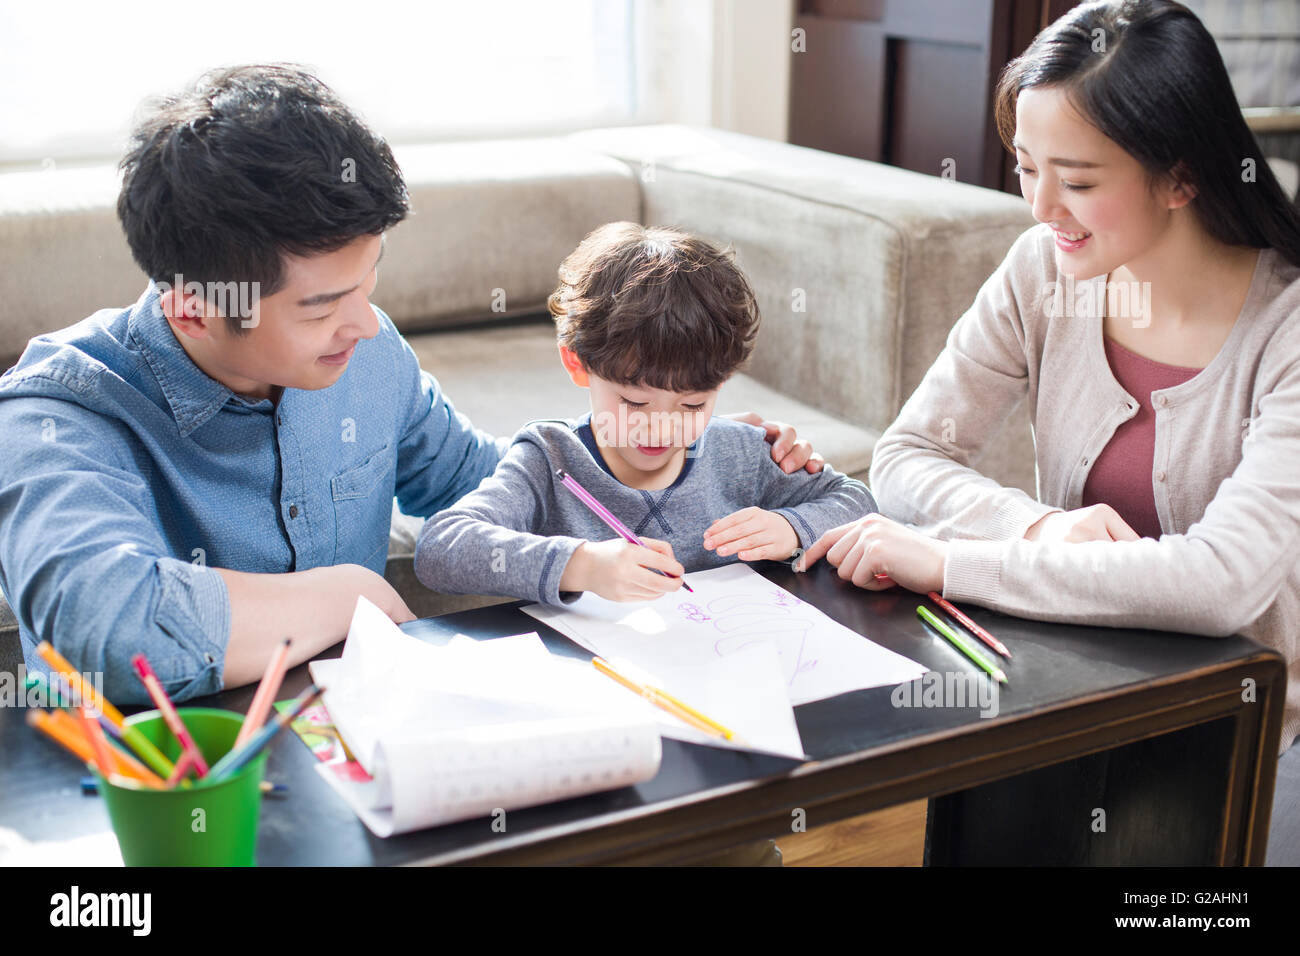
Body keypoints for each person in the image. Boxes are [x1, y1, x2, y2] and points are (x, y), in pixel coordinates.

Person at [0, 65, 820, 706]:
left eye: (368, 284)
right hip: (158, 794)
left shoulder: (367, 354)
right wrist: (346, 594)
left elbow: (488, 479)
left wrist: (676, 449)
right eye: (322, 306)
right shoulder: (62, 411)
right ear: (197, 311)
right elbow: (96, 625)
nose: (365, 324)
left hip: (372, 744)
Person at [796, 0, 1300, 862]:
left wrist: (955, 561)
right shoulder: (1044, 270)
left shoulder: (1285, 328)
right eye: (1026, 167)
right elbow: (909, 455)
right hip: (1073, 690)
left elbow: (1223, 585)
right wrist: (1037, 525)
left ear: (1180, 177)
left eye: (1077, 179)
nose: (1039, 206)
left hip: (1256, 724)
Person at [415, 222, 877, 603]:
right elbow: (442, 548)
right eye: (634, 402)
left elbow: (857, 501)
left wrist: (790, 527)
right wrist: (584, 565)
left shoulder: (737, 452)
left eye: (692, 404)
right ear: (578, 364)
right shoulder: (550, 461)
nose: (662, 425)